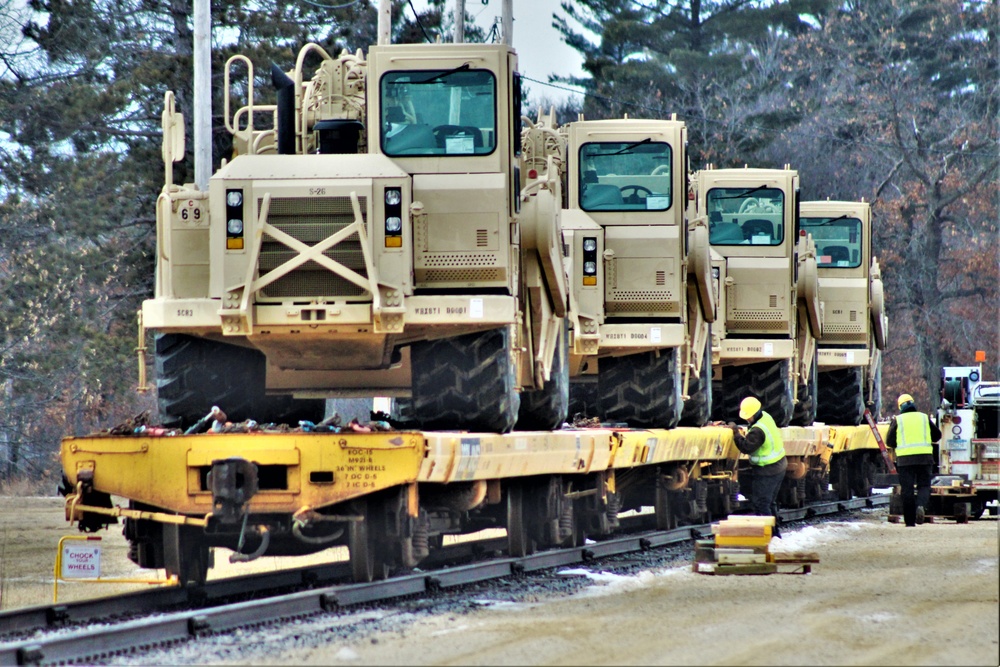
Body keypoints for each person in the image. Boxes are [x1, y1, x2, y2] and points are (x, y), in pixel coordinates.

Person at [730, 396, 788, 537]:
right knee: (769, 502)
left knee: (761, 503)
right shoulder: (765, 417)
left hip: (768, 470)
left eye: (748, 417)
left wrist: (736, 433)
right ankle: (775, 533)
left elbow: (746, 447)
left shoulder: (758, 430)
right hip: (779, 466)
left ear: (755, 414)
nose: (747, 419)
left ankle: (768, 535)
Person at [886, 393, 941, 527]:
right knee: (924, 486)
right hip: (925, 458)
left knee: (907, 489)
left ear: (900, 407)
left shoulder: (898, 420)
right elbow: (937, 435)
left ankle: (910, 521)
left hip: (905, 460)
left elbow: (890, 441)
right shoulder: (924, 418)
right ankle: (920, 506)